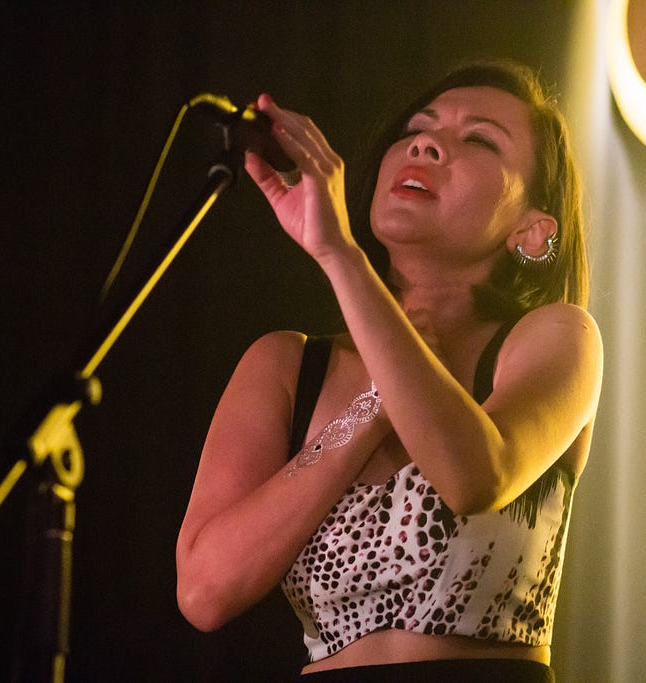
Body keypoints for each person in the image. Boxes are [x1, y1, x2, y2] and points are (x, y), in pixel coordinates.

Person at [175, 60, 603, 681]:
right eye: (418, 128)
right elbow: (205, 592)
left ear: (531, 229)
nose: (426, 142)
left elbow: (475, 475)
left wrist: (340, 254)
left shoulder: (555, 337)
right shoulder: (289, 365)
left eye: (479, 138)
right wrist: (368, 411)